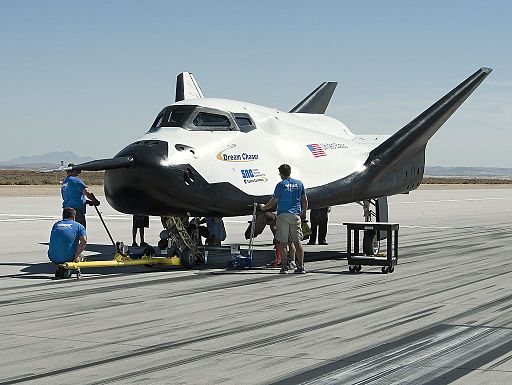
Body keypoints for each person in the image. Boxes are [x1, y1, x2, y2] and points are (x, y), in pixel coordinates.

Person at [259, 164, 308, 274]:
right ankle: (300, 267)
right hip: (296, 215)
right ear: (290, 172)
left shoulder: (281, 185)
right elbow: (304, 200)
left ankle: (285, 267)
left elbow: (274, 201)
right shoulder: (299, 184)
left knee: (283, 243)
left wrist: (264, 207)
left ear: (281, 173)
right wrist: (304, 212)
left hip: (283, 215)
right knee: (297, 242)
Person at [48, 208, 87, 278]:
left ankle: (60, 268)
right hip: (68, 258)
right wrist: (77, 256)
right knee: (82, 257)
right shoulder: (79, 226)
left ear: (63, 216)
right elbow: (84, 240)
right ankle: (72, 269)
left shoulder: (56, 225)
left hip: (52, 257)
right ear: (74, 217)